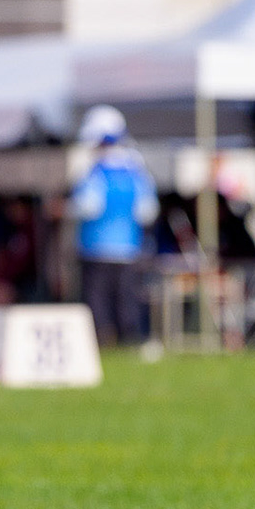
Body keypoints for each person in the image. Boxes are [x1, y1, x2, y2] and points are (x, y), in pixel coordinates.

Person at [69, 105, 158, 347]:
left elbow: (87, 206)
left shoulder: (95, 172)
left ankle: (102, 339)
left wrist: (67, 208)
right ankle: (129, 339)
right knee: (126, 298)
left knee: (98, 299)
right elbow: (147, 211)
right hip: (128, 248)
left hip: (95, 248)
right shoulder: (136, 172)